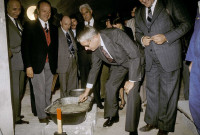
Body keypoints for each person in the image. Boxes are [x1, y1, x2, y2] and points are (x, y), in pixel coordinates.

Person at [135, 0, 192, 134]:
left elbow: (187, 23)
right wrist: (142, 39)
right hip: (150, 57)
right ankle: (152, 121)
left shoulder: (170, 3)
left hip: (169, 55)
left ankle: (164, 126)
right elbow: (137, 32)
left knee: (168, 91)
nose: (143, 1)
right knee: (152, 90)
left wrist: (167, 37)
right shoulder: (138, 11)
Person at [78, 26, 142, 135]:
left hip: (134, 61)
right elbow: (94, 69)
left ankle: (132, 129)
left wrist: (131, 80)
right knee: (109, 86)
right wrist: (86, 92)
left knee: (131, 91)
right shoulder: (95, 48)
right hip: (119, 65)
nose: (86, 49)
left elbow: (135, 55)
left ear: (94, 38)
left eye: (87, 45)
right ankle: (113, 115)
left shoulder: (115, 34)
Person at [22, 0, 58, 124]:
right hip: (36, 65)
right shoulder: (30, 26)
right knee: (39, 91)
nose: (47, 14)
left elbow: (54, 48)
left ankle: (48, 111)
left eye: (49, 11)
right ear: (38, 11)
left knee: (48, 91)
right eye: (44, 11)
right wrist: (28, 66)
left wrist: (56, 65)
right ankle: (42, 115)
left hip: (50, 64)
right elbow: (25, 47)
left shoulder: (53, 28)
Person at [76, 3, 104, 109]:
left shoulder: (100, 24)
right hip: (83, 56)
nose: (85, 15)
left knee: (95, 77)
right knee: (84, 78)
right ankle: (86, 101)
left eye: (86, 12)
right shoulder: (79, 26)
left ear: (91, 11)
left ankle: (97, 100)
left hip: (96, 54)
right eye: (82, 14)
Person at [6, 0, 28, 124]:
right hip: (13, 62)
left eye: (19, 9)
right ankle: (14, 118)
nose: (17, 12)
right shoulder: (4, 22)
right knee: (14, 91)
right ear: (7, 8)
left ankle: (17, 115)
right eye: (14, 9)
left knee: (19, 90)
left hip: (21, 62)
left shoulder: (17, 22)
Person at [111, 17, 134, 110]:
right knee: (120, 81)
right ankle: (122, 100)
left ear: (119, 24)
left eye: (115, 25)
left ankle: (132, 102)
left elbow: (132, 43)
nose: (114, 27)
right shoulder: (114, 31)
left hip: (128, 58)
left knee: (130, 80)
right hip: (118, 59)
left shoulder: (128, 30)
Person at [185, 3, 200, 134]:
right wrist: (191, 59)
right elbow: (196, 31)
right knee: (194, 101)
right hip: (198, 59)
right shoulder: (198, 8)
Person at [57, 16, 78, 97]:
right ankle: (64, 103)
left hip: (73, 60)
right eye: (66, 24)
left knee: (73, 85)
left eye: (69, 24)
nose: (68, 26)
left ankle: (72, 102)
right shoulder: (56, 33)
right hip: (62, 63)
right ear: (60, 23)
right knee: (64, 87)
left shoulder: (70, 32)